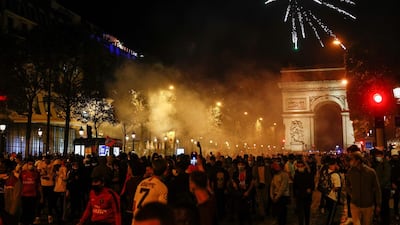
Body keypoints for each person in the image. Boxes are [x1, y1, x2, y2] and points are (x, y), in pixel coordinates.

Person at [346, 151, 381, 225]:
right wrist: (352, 194)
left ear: (358, 161)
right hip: (355, 204)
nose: (350, 162)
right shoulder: (350, 172)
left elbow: (377, 189)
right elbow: (347, 185)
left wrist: (378, 204)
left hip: (367, 205)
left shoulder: (371, 172)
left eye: (352, 160)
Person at [293, 160, 314, 225]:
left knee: (307, 212)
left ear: (304, 166)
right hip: (299, 196)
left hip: (307, 197)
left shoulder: (308, 174)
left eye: (301, 166)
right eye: (298, 166)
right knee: (300, 213)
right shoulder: (296, 174)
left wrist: (310, 189)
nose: (300, 168)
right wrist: (295, 194)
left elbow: (312, 184)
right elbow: (294, 185)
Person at [270, 161, 290, 225]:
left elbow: (283, 188)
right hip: (276, 195)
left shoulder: (284, 175)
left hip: (283, 196)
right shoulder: (275, 175)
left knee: (282, 213)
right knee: (278, 212)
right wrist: (272, 195)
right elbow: (272, 185)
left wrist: (277, 197)